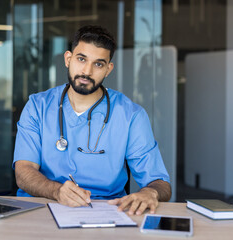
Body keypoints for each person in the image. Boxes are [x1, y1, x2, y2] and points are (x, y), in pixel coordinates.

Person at [13, 25, 171, 216]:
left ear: (108, 69)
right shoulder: (38, 107)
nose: (87, 71)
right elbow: (23, 172)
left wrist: (150, 192)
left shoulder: (131, 115)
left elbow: (160, 182)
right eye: (81, 59)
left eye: (98, 64)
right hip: (41, 207)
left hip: (105, 211)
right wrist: (56, 191)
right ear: (68, 59)